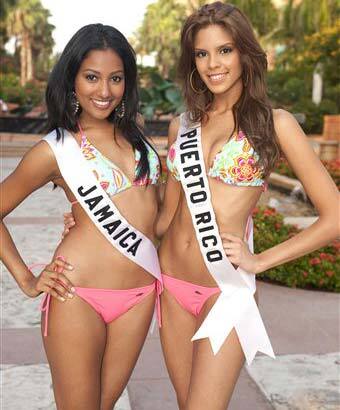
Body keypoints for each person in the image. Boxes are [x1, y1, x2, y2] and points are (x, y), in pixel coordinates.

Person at [155, 3, 339, 410]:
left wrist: (261, 260)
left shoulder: (275, 124)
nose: (212, 64)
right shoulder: (182, 125)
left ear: (245, 53)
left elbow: (335, 217)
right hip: (171, 286)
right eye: (201, 54)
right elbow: (165, 217)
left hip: (226, 291)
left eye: (224, 50)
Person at [0, 24, 163, 410]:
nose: (104, 91)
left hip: (138, 297)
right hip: (77, 295)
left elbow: (156, 214)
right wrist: (25, 277)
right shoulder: (55, 149)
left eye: (115, 79)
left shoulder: (138, 135)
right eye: (92, 77)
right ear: (72, 79)